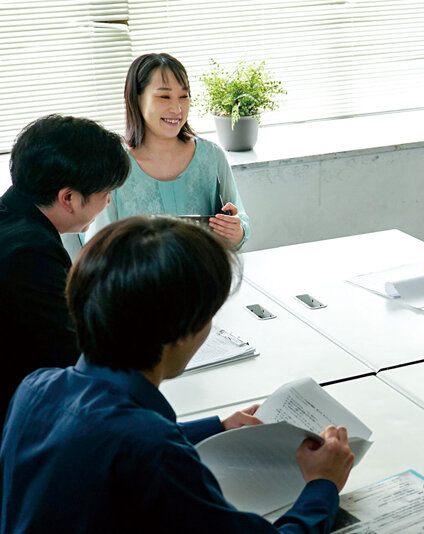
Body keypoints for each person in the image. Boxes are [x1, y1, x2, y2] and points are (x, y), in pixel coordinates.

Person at [0, 217, 354, 532]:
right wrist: (322, 485)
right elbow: (139, 448)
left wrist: (216, 427)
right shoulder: (153, 453)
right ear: (183, 332)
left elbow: (101, 438)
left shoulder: (36, 388)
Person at [0, 114, 129, 422]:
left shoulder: (12, 219)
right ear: (68, 198)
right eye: (105, 193)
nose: (109, 201)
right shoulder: (30, 253)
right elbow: (74, 360)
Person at [86, 52, 250, 247]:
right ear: (136, 99)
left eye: (184, 96)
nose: (177, 108)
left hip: (203, 274)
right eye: (164, 96)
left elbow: (241, 225)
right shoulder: (111, 165)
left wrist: (235, 232)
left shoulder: (212, 156)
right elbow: (98, 246)